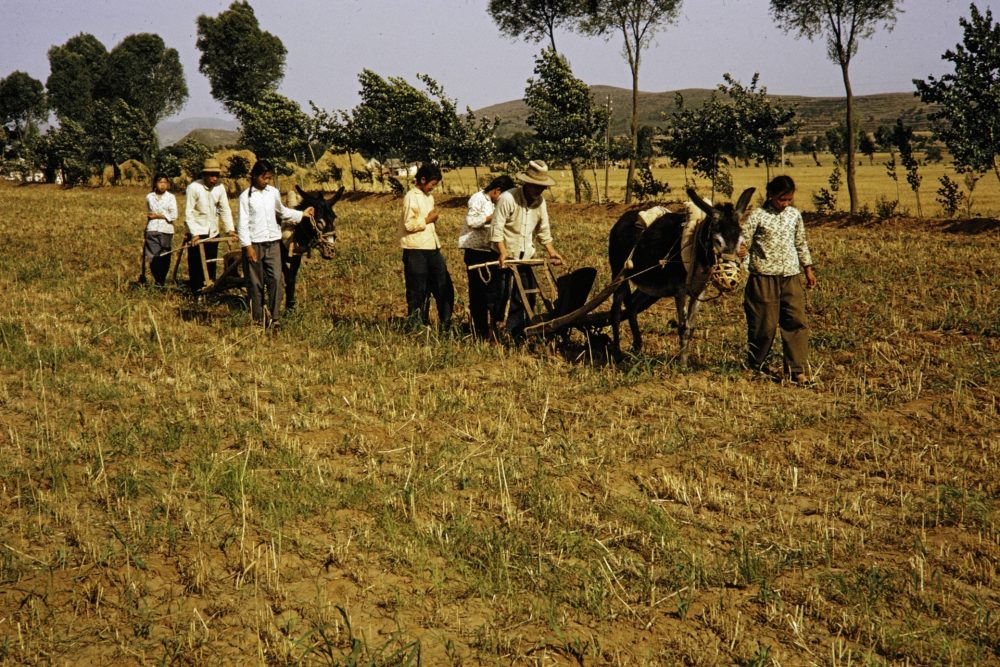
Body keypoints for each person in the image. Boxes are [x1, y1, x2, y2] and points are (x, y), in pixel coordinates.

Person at [741, 175, 818, 384]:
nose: (785, 204)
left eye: (789, 200)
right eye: (781, 200)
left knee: (796, 321)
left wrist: (808, 269)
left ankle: (797, 371)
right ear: (771, 196)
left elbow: (800, 242)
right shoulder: (758, 216)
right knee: (763, 325)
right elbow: (742, 244)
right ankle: (756, 366)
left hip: (790, 276)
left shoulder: (794, 215)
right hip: (763, 277)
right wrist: (743, 264)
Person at [490, 160, 564, 341]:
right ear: (527, 183)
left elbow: (543, 230)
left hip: (526, 257)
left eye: (542, 187)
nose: (540, 191)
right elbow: (496, 228)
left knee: (526, 298)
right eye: (536, 186)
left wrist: (551, 251)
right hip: (505, 256)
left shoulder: (540, 203)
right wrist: (502, 251)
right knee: (501, 296)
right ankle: (495, 328)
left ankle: (516, 334)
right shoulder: (508, 198)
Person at [237, 160, 314, 328]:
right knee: (256, 282)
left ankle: (274, 317)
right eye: (265, 178)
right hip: (255, 243)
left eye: (270, 178)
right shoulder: (245, 197)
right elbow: (242, 224)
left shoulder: (273, 192)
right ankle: (258, 319)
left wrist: (302, 214)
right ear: (255, 176)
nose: (267, 181)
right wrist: (247, 247)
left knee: (276, 279)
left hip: (273, 242)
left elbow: (282, 212)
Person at [458, 174, 515, 339]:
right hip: (475, 251)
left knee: (496, 291)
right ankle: (480, 329)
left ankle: (494, 326)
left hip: (491, 251)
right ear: (497, 190)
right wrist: (493, 217)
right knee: (478, 293)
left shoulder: (495, 203)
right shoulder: (477, 199)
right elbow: (472, 221)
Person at [399, 163, 454, 329]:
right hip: (416, 250)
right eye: (432, 184)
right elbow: (408, 225)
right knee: (418, 290)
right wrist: (428, 220)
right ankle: (417, 325)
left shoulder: (429, 197)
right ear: (422, 179)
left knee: (444, 286)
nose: (433, 188)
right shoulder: (411, 196)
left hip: (432, 247)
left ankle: (445, 325)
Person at [185, 157, 234, 292]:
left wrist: (230, 229)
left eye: (216, 175)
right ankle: (196, 290)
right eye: (211, 175)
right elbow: (188, 212)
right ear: (204, 175)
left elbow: (225, 209)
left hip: (213, 231)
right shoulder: (194, 188)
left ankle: (210, 287)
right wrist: (194, 234)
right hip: (197, 230)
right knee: (196, 263)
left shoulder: (220, 188)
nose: (214, 178)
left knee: (211, 261)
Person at [142, 173, 177, 286]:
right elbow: (149, 212)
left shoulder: (171, 197)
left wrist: (159, 216)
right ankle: (158, 279)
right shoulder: (149, 197)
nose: (162, 185)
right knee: (152, 256)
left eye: (165, 182)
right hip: (151, 229)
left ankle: (161, 279)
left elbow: (174, 215)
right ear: (155, 184)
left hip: (166, 229)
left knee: (165, 255)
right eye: (160, 182)